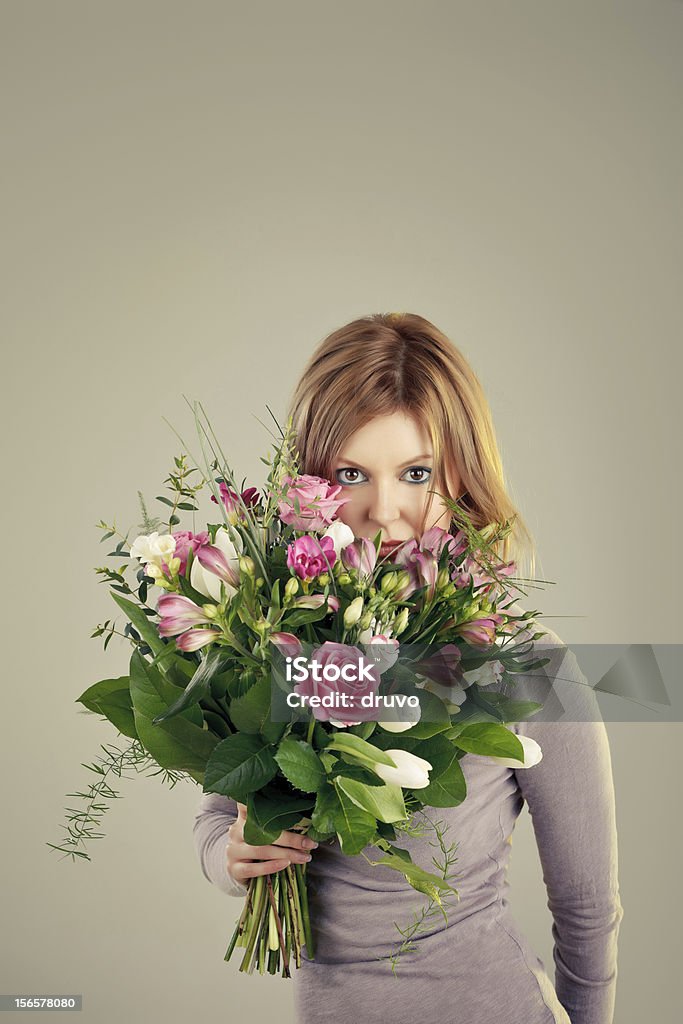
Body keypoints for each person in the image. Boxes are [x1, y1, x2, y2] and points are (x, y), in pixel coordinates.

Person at [193, 312, 623, 1024]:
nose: (383, 511)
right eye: (352, 473)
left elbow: (586, 907)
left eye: (415, 473)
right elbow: (221, 811)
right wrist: (232, 856)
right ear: (314, 482)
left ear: (460, 474)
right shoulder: (286, 642)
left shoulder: (522, 661)